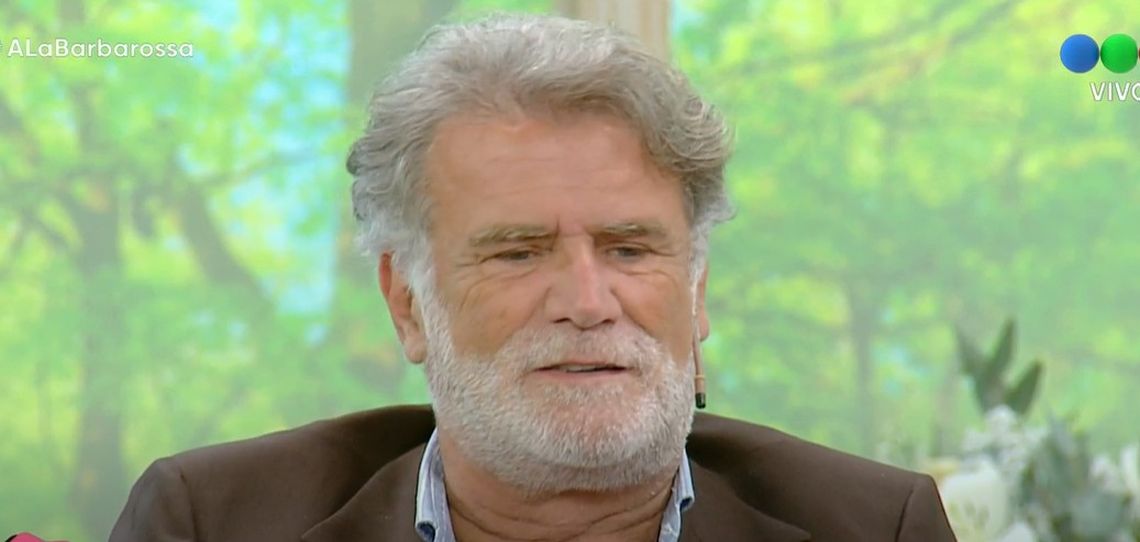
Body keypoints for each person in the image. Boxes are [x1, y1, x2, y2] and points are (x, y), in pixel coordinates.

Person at [110, 13, 956, 542]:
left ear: (695, 290)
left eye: (630, 249)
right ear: (407, 302)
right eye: (517, 252)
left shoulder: (874, 527)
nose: (588, 304)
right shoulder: (212, 521)